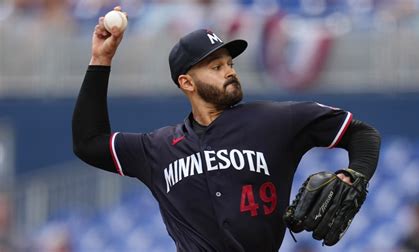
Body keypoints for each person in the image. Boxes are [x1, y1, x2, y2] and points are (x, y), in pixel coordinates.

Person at [72, 6, 381, 251]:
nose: (230, 72)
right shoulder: (158, 147)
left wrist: (354, 174)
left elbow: (362, 133)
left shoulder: (274, 120)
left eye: (230, 64)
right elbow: (88, 143)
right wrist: (101, 58)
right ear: (187, 82)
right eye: (216, 67)